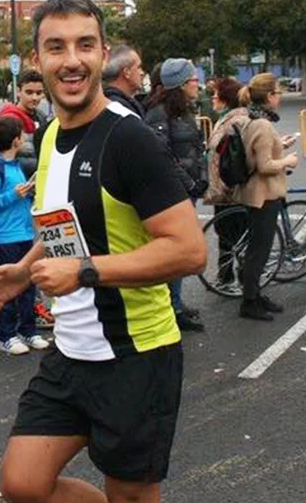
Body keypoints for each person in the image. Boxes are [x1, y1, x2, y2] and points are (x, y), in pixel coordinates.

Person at [0, 0, 222, 503]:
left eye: (86, 44)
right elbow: (63, 227)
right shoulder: (51, 135)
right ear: (36, 60)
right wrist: (25, 271)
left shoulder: (128, 137)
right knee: (24, 483)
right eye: (57, 47)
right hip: (72, 353)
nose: (72, 60)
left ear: (102, 51)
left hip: (135, 354)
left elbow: (188, 250)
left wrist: (83, 271)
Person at [145, 58, 207, 332]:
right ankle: (171, 307)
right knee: (176, 252)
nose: (198, 84)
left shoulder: (183, 110)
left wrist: (200, 179)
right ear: (181, 84)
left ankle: (176, 302)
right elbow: (162, 157)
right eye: (194, 80)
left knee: (180, 253)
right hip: (174, 192)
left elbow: (194, 148)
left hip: (187, 189)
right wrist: (188, 183)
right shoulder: (159, 114)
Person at [233, 74, 297, 320]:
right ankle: (249, 302)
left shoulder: (254, 119)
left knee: (258, 249)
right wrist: (287, 161)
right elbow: (264, 165)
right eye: (278, 92)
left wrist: (281, 145)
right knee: (258, 252)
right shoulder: (262, 124)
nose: (279, 97)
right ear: (270, 96)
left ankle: (255, 295)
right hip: (263, 196)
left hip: (261, 194)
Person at [0, 117, 50, 356]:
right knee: (8, 285)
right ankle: (5, 334)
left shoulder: (19, 167)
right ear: (15, 141)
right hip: (5, 236)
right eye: (21, 136)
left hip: (24, 233)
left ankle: (28, 329)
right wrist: (14, 195)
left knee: (28, 284)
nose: (24, 140)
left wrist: (30, 195)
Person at [0, 70, 55, 331]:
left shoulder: (40, 116)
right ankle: (25, 313)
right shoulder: (11, 118)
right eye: (29, 92)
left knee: (40, 251)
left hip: (37, 194)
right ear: (18, 90)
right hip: (21, 197)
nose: (34, 97)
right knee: (27, 256)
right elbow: (13, 157)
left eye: (38, 93)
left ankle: (32, 308)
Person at [204, 78, 248, 290]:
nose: (213, 98)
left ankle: (241, 277)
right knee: (225, 235)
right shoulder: (225, 119)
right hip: (222, 189)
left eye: (216, 94)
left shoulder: (237, 121)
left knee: (236, 235)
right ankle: (225, 276)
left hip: (231, 189)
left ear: (226, 98)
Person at [102, 44, 146, 118]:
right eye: (139, 67)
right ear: (127, 73)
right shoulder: (120, 112)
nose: (142, 73)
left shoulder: (113, 104)